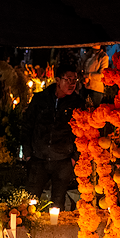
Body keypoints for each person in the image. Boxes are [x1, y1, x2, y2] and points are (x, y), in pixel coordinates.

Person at [22, 63, 89, 211]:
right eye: (68, 79)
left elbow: (83, 133)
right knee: (29, 202)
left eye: (75, 80)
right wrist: (27, 154)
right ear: (57, 80)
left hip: (63, 161)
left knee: (57, 204)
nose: (72, 84)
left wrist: (74, 158)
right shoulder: (41, 99)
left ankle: (55, 234)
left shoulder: (77, 104)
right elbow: (27, 125)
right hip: (38, 159)